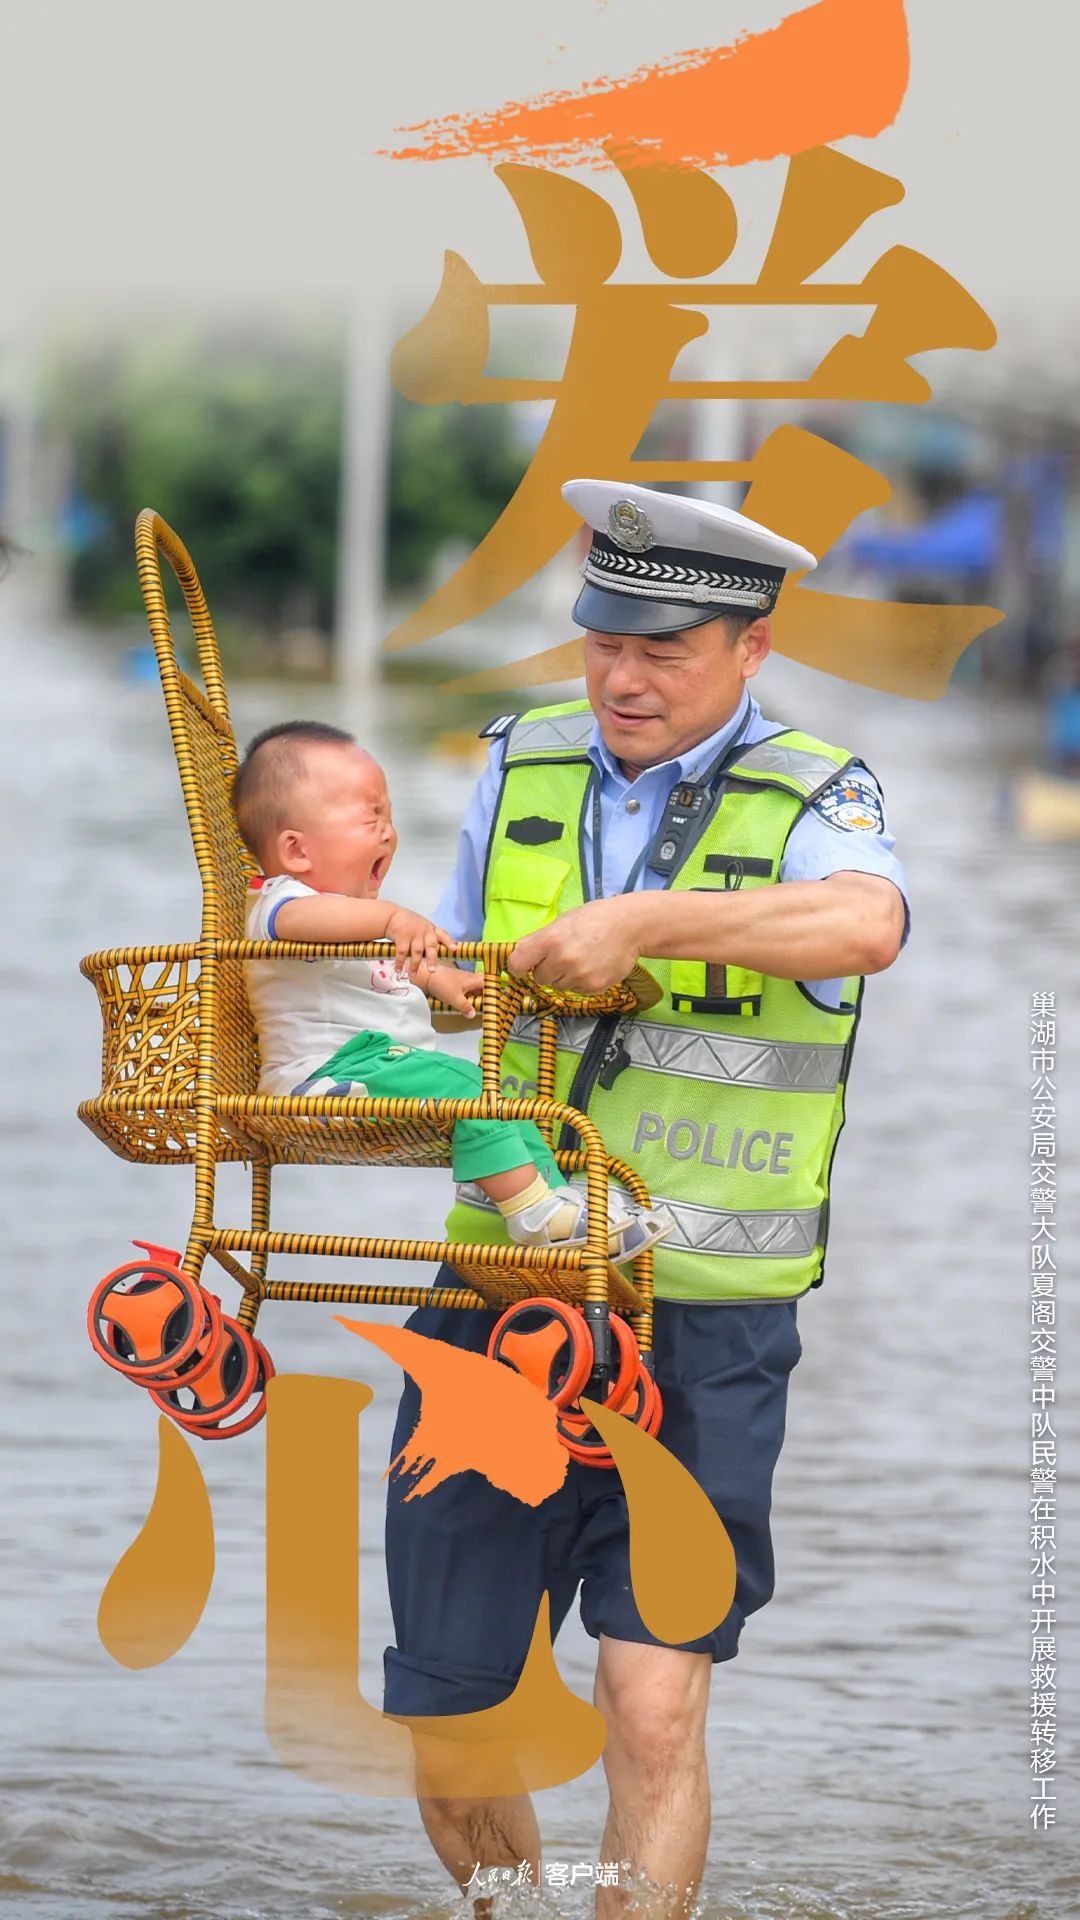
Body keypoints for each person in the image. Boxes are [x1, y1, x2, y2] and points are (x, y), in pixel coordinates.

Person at [382, 480, 911, 1915]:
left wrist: (645, 921)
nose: (622, 675)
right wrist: (390, 987)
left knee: (653, 1702)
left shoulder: (822, 793)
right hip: (501, 1294)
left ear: (750, 651)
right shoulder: (519, 763)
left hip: (708, 1321)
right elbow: (465, 995)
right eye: (604, 636)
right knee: (447, 1720)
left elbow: (868, 925)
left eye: (664, 650)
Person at [230, 722, 670, 1263]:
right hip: (321, 1079)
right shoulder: (283, 903)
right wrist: (392, 917)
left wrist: (446, 979)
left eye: (389, 816)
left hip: (376, 1066)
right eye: (370, 817)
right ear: (296, 851)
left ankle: (557, 1204)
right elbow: (309, 922)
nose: (389, 832)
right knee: (469, 1087)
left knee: (501, 1097)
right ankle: (531, 1210)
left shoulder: (354, 923)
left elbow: (399, 963)